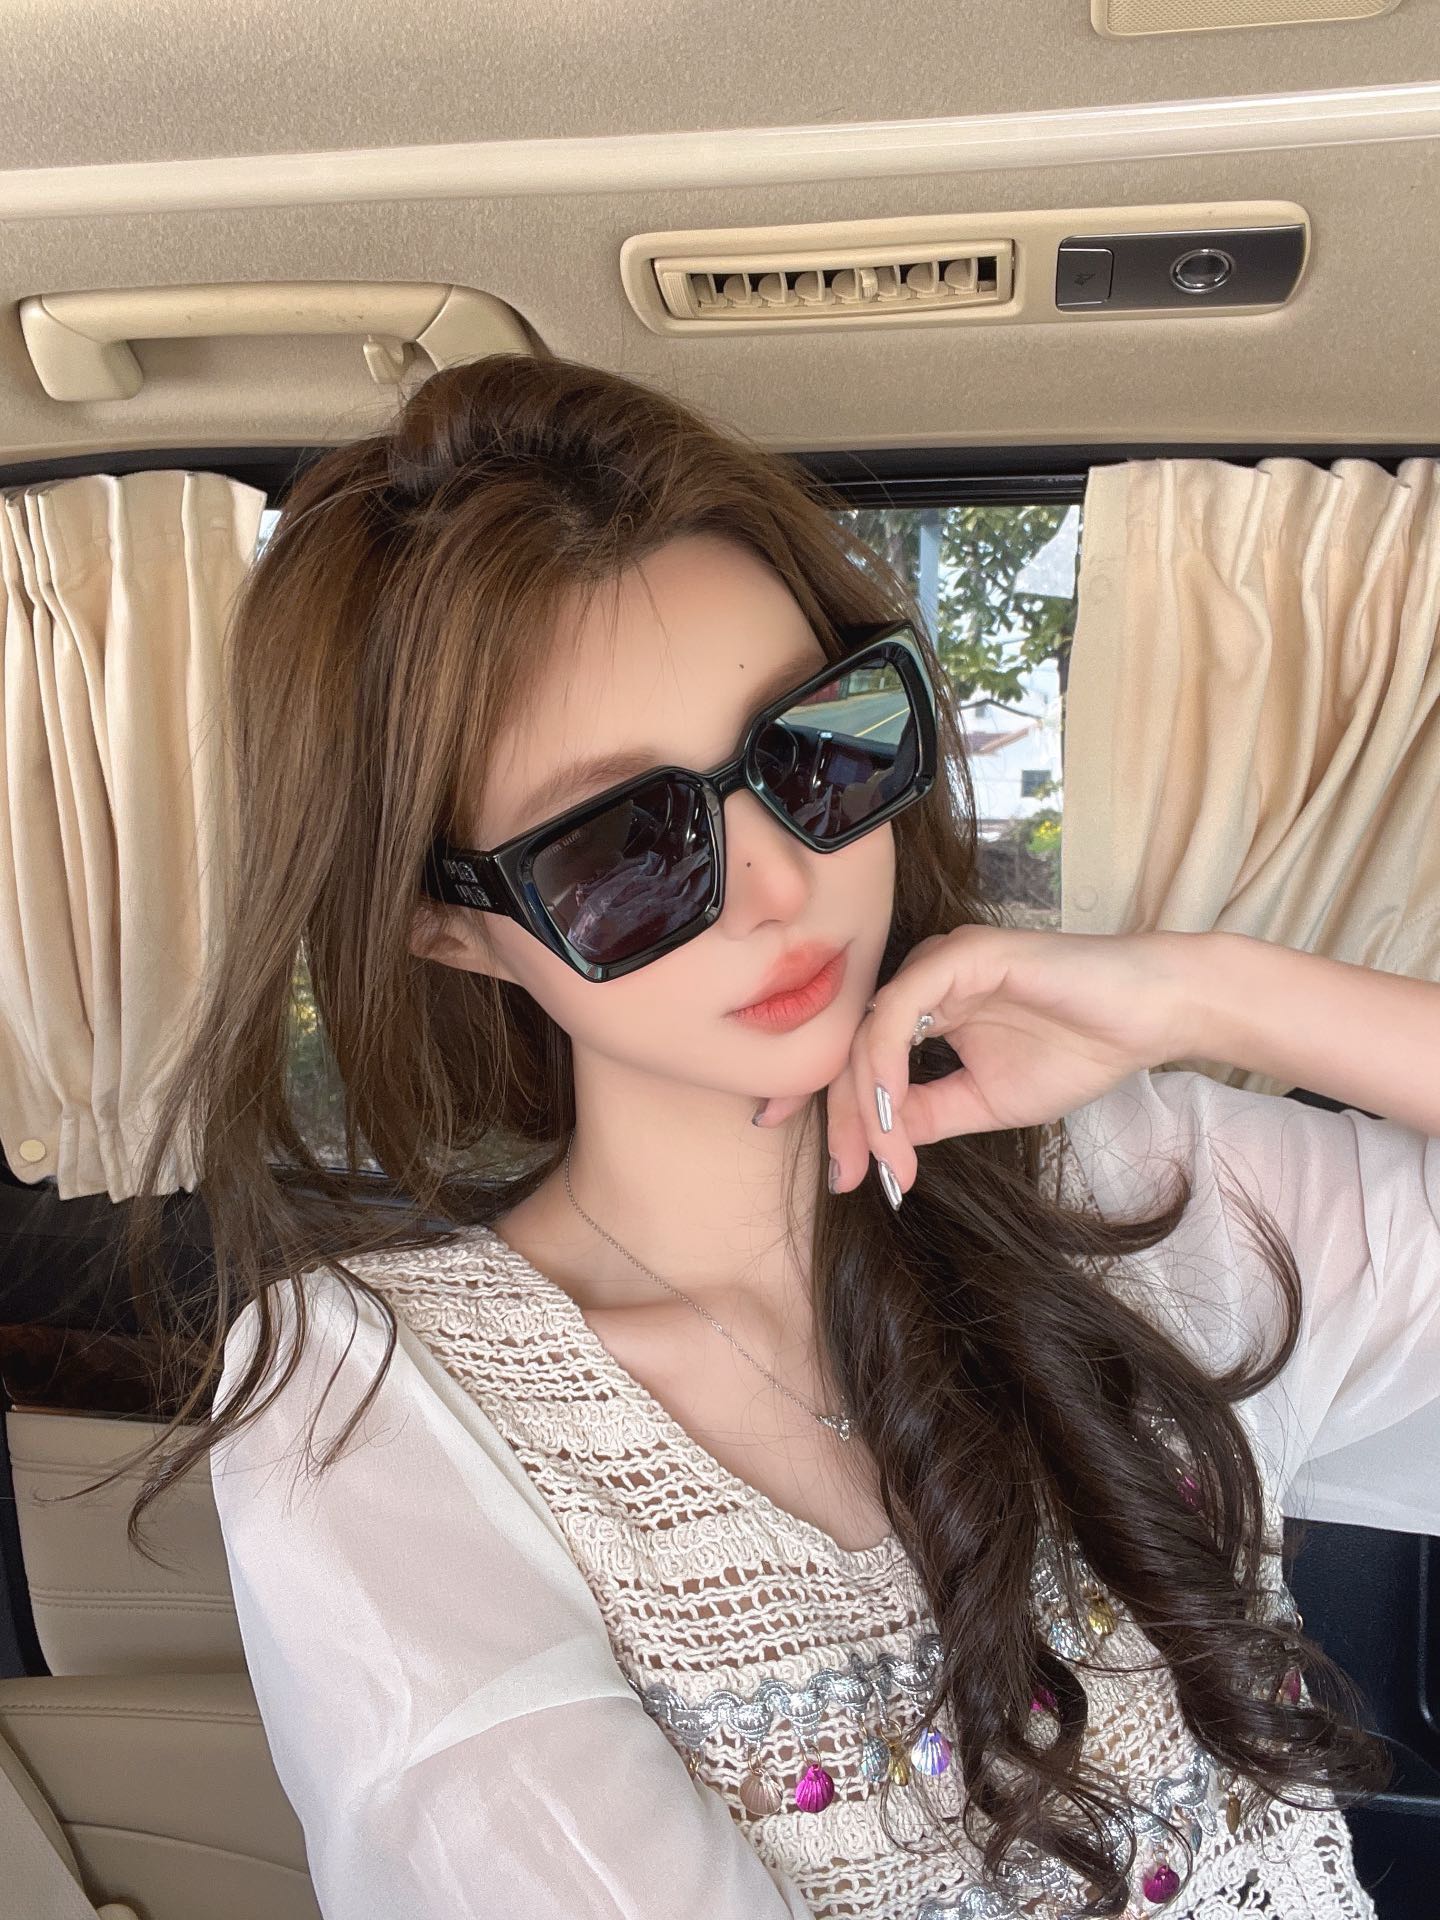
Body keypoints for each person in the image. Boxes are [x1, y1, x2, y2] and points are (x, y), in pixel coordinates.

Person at [107, 352, 1440, 1920]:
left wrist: (1209, 992)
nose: (781, 883)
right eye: (623, 845)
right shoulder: (382, 1414)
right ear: (451, 928)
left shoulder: (1130, 1180)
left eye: (818, 747)